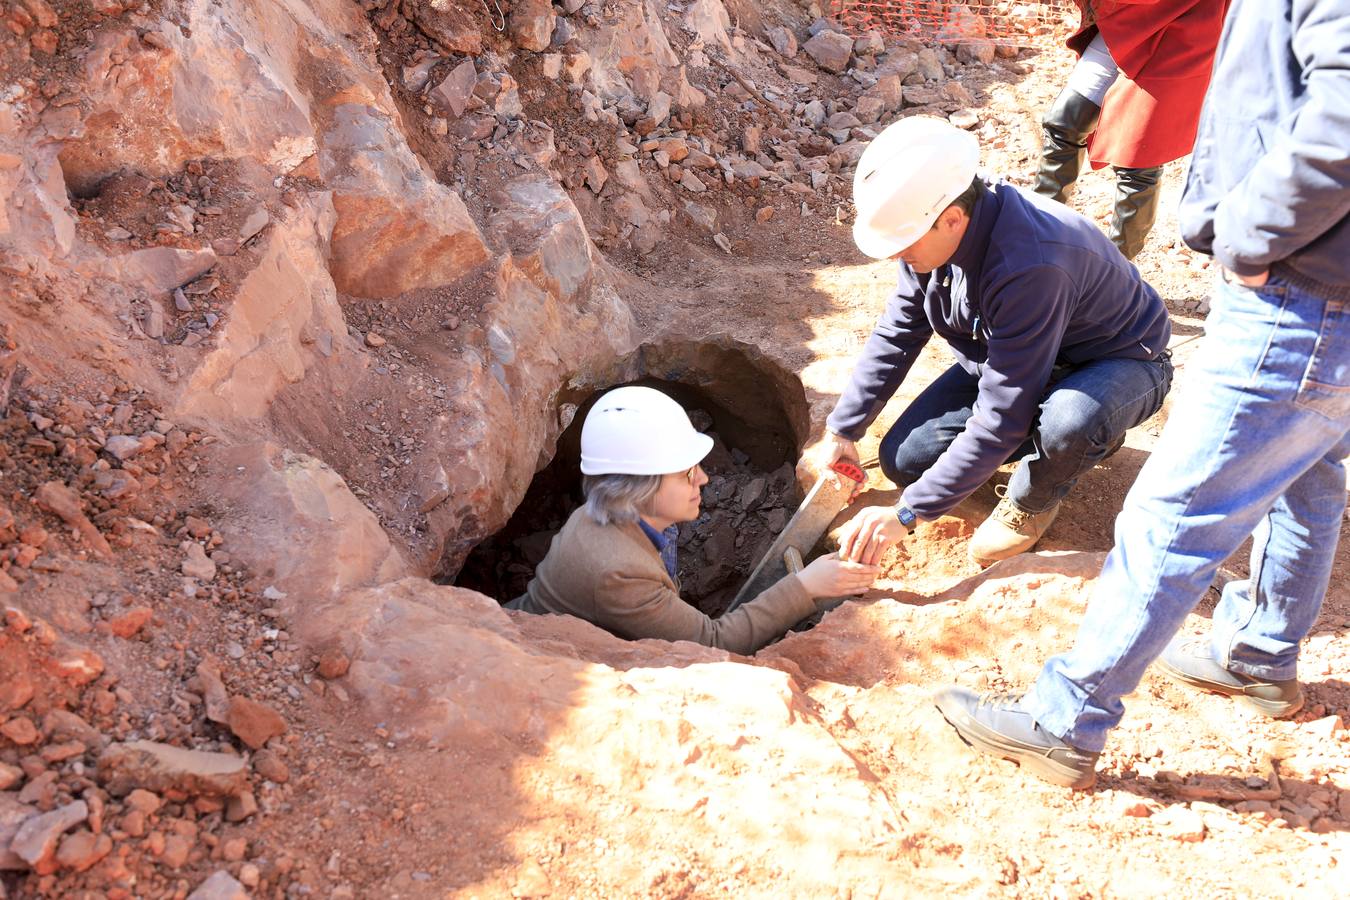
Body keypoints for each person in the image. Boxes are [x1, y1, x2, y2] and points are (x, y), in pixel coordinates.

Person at [935, 0, 1350, 790]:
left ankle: (1066, 719)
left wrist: (1253, 237)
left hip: (1301, 293)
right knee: (1310, 471)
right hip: (1323, 286)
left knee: (1175, 511)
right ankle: (1260, 655)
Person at [820, 116, 1174, 569]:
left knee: (1071, 421)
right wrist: (843, 429)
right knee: (905, 461)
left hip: (1115, 361)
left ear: (951, 220)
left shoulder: (1030, 264)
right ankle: (1055, 434)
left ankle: (1035, 497)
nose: (896, 257)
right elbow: (899, 331)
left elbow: (1002, 416)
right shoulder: (934, 221)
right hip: (1018, 355)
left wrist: (908, 514)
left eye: (904, 246)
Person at [506, 386, 877, 653]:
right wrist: (806, 586)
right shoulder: (618, 573)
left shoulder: (611, 513)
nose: (702, 478)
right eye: (686, 473)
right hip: (534, 660)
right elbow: (713, 644)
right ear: (640, 486)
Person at [1035, 0, 1228, 260]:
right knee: (1062, 125)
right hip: (1129, 24)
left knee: (1138, 162)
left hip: (1181, 34)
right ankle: (1036, 238)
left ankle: (1114, 273)